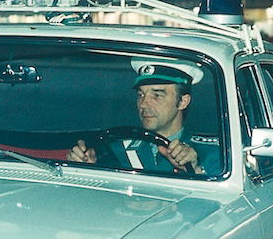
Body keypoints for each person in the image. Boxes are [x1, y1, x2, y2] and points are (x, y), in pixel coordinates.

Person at [69, 59, 223, 178]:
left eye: (157, 95)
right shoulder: (115, 149)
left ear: (183, 102)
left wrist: (196, 170)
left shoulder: (215, 153)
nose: (143, 104)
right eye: (141, 95)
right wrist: (86, 166)